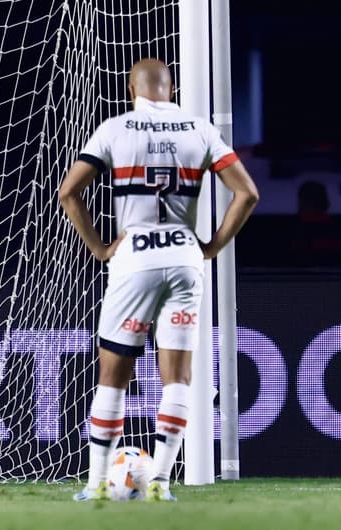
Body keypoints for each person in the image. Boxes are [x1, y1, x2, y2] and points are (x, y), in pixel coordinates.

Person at [58, 59, 259, 502]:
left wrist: (98, 246)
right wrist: (210, 247)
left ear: (133, 88)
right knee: (178, 380)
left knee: (113, 376)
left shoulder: (116, 128)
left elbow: (69, 192)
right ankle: (162, 483)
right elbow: (247, 193)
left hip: (135, 259)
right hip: (185, 258)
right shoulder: (200, 129)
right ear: (171, 89)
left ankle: (96, 487)